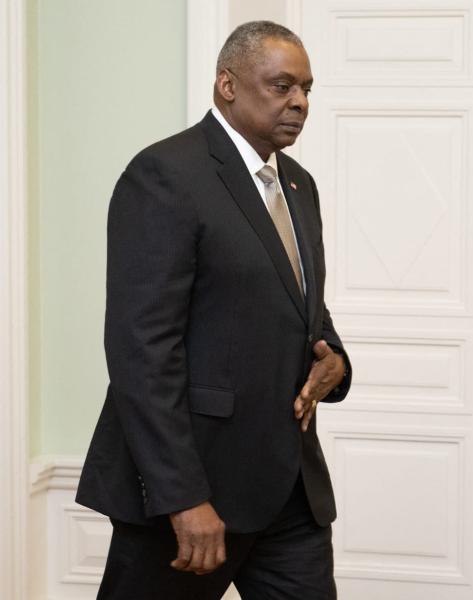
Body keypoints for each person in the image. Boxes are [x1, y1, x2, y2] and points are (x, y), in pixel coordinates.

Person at [76, 21, 350, 599]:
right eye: (281, 86)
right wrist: (182, 497)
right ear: (228, 85)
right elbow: (141, 352)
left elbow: (302, 304)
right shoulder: (166, 175)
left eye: (306, 89)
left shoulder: (298, 186)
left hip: (290, 491)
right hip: (193, 493)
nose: (299, 102)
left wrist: (337, 360)